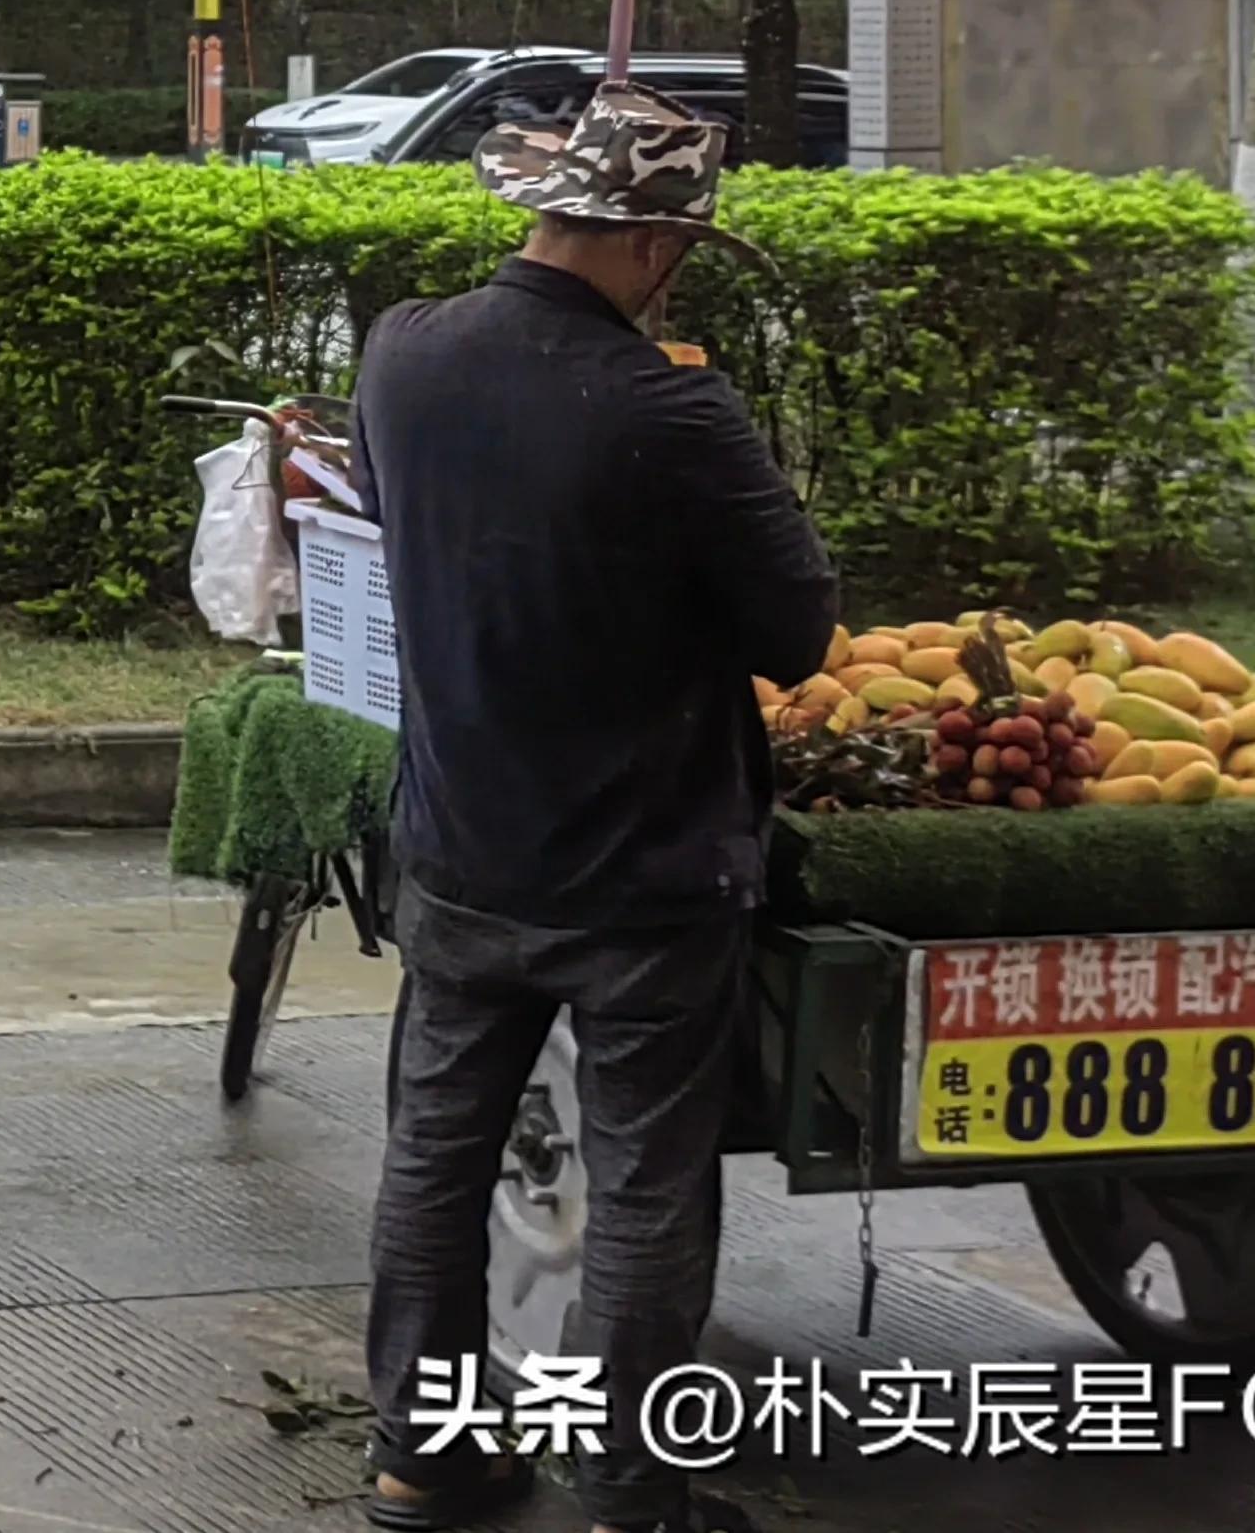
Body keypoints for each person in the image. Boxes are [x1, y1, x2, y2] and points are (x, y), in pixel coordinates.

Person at [348, 86, 836, 1533]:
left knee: (435, 1154)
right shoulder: (670, 406)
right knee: (644, 1184)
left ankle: (420, 1454)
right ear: (656, 246)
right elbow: (797, 630)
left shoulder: (402, 351)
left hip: (461, 842)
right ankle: (629, 1484)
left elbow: (393, 511)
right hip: (647, 876)